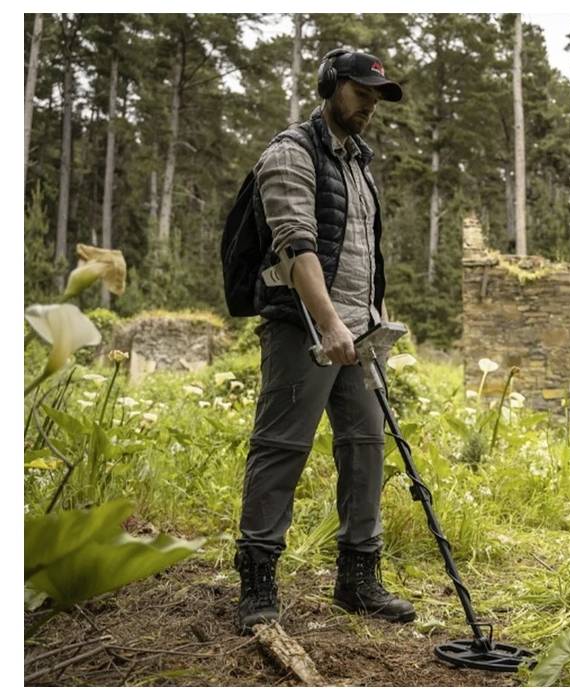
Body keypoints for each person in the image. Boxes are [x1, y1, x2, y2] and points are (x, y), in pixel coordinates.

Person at [233, 48, 414, 633]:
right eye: (361, 92)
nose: (369, 105)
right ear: (330, 86)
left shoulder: (359, 163)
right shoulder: (290, 152)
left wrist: (373, 316)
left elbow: (362, 252)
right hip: (305, 331)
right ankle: (257, 583)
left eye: (377, 97)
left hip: (359, 335)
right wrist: (332, 323)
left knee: (364, 447)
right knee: (281, 448)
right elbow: (296, 246)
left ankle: (358, 580)